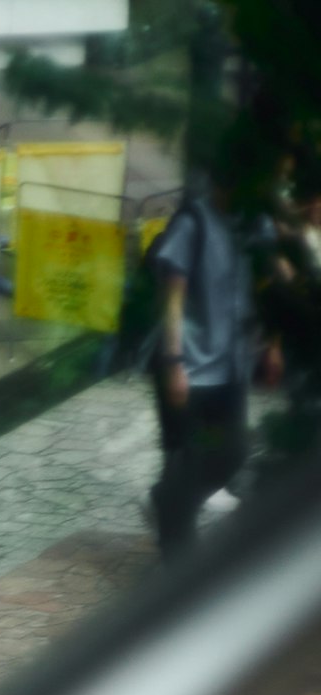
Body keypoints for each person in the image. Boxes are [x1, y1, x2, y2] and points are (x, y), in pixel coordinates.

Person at [150, 182, 260, 550]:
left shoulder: (252, 223)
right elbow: (173, 300)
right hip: (190, 370)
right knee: (193, 457)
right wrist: (173, 361)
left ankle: (169, 503)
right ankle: (177, 553)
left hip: (231, 369)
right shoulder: (193, 222)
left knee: (231, 451)